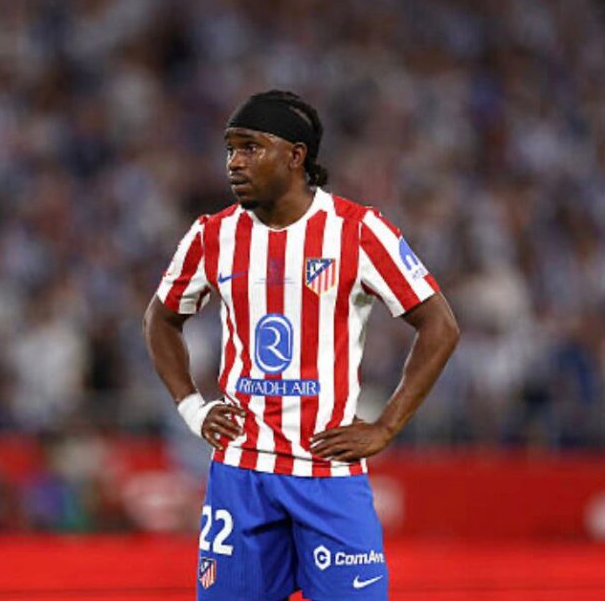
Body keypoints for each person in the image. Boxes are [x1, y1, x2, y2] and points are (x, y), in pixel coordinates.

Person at [144, 90, 459, 600]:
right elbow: (160, 319)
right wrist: (192, 408)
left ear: (296, 156)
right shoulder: (212, 235)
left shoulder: (358, 231)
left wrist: (387, 425)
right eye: (230, 149)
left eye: (250, 147)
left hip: (327, 473)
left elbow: (440, 325)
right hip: (242, 472)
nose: (234, 162)